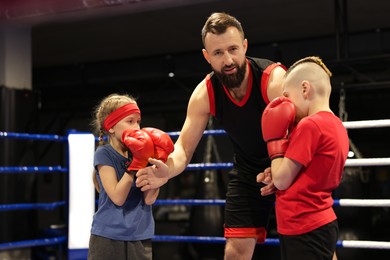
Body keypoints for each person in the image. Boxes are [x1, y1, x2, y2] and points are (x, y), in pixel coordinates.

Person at [135, 12, 286, 259]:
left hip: (289, 162)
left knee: (310, 247)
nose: (228, 60)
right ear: (207, 56)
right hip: (249, 170)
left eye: (233, 49)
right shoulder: (204, 94)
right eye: (218, 53)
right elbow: (183, 147)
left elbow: (303, 132)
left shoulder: (274, 79)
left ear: (245, 45)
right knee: (235, 251)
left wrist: (282, 168)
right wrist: (167, 171)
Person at [258, 56, 349, 260]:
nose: (285, 104)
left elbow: (282, 180)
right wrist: (276, 171)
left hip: (302, 223)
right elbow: (305, 170)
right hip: (319, 221)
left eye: (287, 95)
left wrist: (275, 141)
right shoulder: (336, 126)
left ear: (305, 89)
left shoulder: (310, 125)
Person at [88, 93, 174, 260]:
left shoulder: (142, 151)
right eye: (130, 121)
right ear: (111, 127)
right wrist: (136, 164)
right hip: (108, 236)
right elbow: (118, 197)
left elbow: (149, 199)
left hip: (140, 234)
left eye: (138, 121)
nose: (136, 127)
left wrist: (157, 166)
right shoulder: (104, 154)